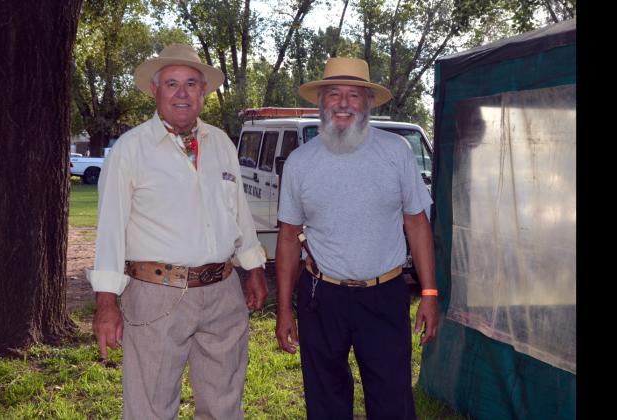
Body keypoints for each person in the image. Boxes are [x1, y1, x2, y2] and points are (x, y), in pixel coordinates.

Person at [86, 43, 268, 420]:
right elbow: (111, 231)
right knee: (149, 407)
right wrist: (107, 303)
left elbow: (239, 213)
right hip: (156, 295)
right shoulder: (130, 150)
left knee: (224, 404)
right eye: (171, 84)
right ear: (155, 90)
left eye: (190, 84)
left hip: (223, 292)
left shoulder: (220, 142)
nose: (182, 93)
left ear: (204, 92)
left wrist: (255, 270)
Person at [274, 57, 439, 419]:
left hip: (385, 294)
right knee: (325, 399)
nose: (344, 103)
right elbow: (288, 238)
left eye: (354, 94)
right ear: (322, 102)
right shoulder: (300, 162)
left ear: (367, 102)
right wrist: (285, 309)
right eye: (334, 93)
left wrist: (429, 293)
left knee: (392, 397)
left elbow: (417, 224)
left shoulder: (396, 152)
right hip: (321, 296)